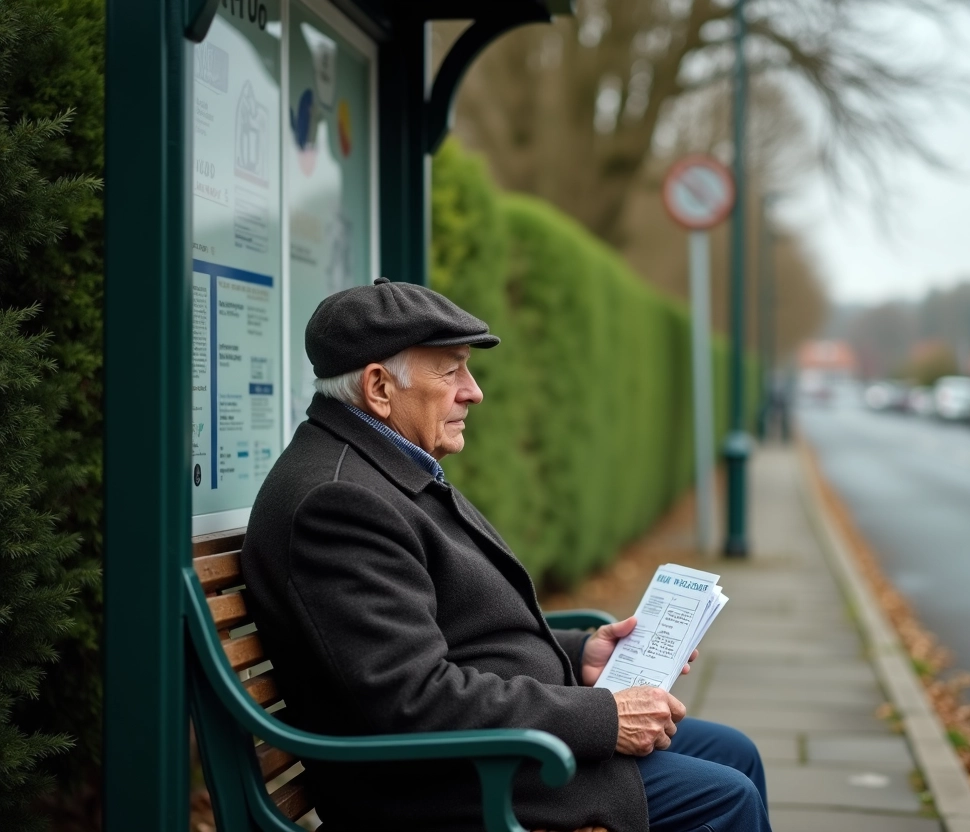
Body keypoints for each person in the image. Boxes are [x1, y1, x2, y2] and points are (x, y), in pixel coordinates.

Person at [241, 278, 770, 832]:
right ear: (378, 387)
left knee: (735, 752)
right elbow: (413, 699)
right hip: (451, 783)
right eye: (451, 371)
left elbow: (459, 632)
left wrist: (579, 654)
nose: (474, 391)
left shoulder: (380, 464)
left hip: (500, 746)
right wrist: (603, 716)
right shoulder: (339, 500)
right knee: (725, 798)